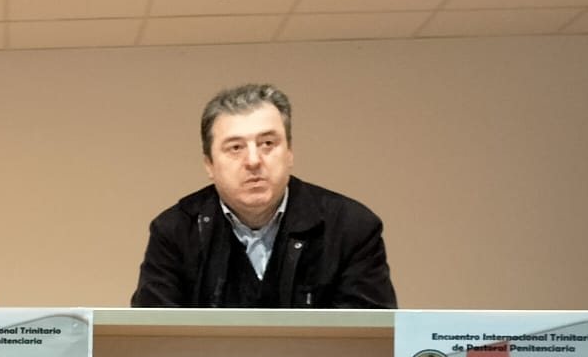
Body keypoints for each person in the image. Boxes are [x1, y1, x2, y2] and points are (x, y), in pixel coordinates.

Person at [131, 83, 395, 309]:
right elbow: (152, 338)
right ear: (209, 164)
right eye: (235, 147)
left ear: (289, 153)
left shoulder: (351, 228)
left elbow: (371, 339)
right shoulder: (175, 232)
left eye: (267, 144)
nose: (254, 160)